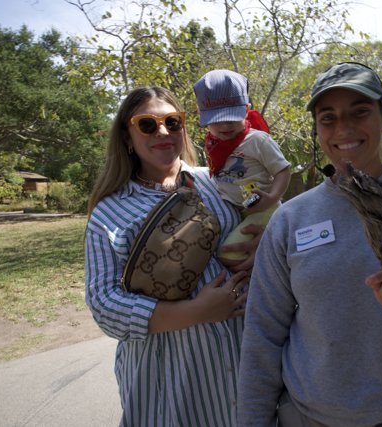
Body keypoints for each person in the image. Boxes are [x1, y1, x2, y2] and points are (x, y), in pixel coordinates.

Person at [237, 62, 382, 426]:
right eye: (327, 118)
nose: (343, 129)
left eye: (359, 112)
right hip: (307, 417)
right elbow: (262, 337)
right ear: (317, 129)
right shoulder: (290, 219)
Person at [85, 86, 261, 426]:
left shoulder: (219, 182)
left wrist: (261, 243)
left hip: (242, 363)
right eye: (148, 124)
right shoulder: (109, 214)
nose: (163, 132)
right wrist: (196, 312)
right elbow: (105, 305)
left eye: (173, 122)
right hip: (169, 379)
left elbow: (261, 221)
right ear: (126, 136)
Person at [194, 69, 292, 267]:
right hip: (237, 210)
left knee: (227, 255)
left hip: (262, 209)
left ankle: (247, 285)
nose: (224, 127)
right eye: (217, 120)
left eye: (231, 118)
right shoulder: (214, 144)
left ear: (247, 109)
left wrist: (272, 198)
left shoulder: (257, 140)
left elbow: (283, 170)